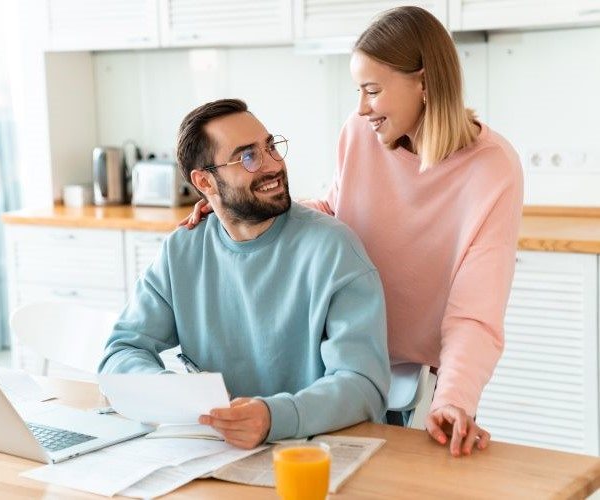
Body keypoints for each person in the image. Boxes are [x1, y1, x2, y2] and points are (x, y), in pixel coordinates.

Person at [181, 7, 523, 457]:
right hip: (338, 358)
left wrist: (454, 401)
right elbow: (334, 210)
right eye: (358, 90)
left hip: (413, 374)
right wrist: (238, 207)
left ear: (423, 81)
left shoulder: (493, 169)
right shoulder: (359, 132)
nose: (362, 107)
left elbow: (474, 314)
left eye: (373, 90)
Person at [99, 98, 391, 449]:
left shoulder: (333, 249)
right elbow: (121, 351)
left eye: (270, 147)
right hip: (217, 451)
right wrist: (174, 394)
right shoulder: (182, 250)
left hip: (314, 451)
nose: (272, 165)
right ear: (205, 183)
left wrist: (274, 416)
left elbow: (363, 385)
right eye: (248, 157)